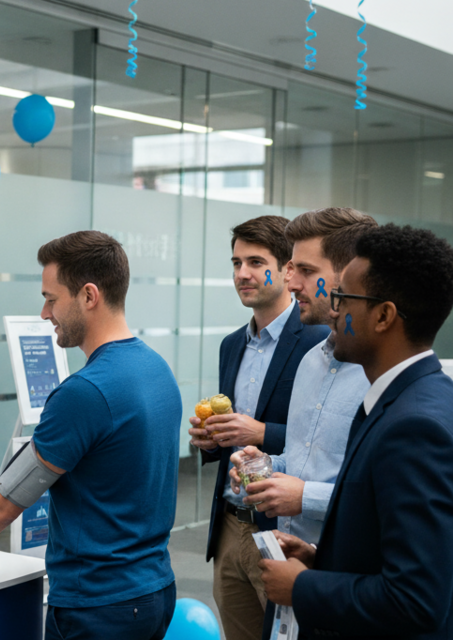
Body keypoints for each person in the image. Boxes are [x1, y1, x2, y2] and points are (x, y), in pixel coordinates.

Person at [0, 230, 182, 640]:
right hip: (154, 592)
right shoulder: (158, 370)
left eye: (51, 299)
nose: (45, 313)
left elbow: (1, 507)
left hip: (97, 608)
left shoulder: (85, 393)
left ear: (89, 296)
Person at [259, 224, 453, 640]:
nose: (334, 310)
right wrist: (321, 560)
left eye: (344, 299)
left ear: (383, 316)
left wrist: (303, 587)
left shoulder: (415, 427)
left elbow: (416, 600)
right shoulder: (408, 398)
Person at [223, 208, 376, 639]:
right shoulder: (311, 363)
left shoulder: (378, 375)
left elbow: (382, 496)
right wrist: (267, 466)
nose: (290, 283)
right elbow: (304, 458)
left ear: (351, 275)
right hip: (291, 571)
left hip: (351, 587)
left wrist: (304, 496)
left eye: (305, 271)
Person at [189, 215, 328, 640]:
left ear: (287, 270)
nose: (242, 274)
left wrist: (261, 433)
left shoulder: (320, 341)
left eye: (255, 262)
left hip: (283, 531)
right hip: (230, 525)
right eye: (236, 263)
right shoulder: (232, 344)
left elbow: (321, 439)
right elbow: (231, 439)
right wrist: (209, 439)